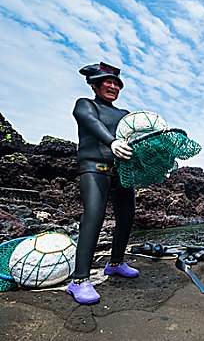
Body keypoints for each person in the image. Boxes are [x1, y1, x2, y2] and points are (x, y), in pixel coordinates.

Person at [66, 62, 139, 305]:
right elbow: (90, 122)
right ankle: (78, 281)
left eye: (117, 84)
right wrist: (111, 141)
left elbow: (136, 139)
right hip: (94, 167)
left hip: (122, 172)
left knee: (127, 216)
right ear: (94, 85)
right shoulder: (85, 104)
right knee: (94, 215)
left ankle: (116, 263)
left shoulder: (124, 114)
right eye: (107, 82)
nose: (113, 86)